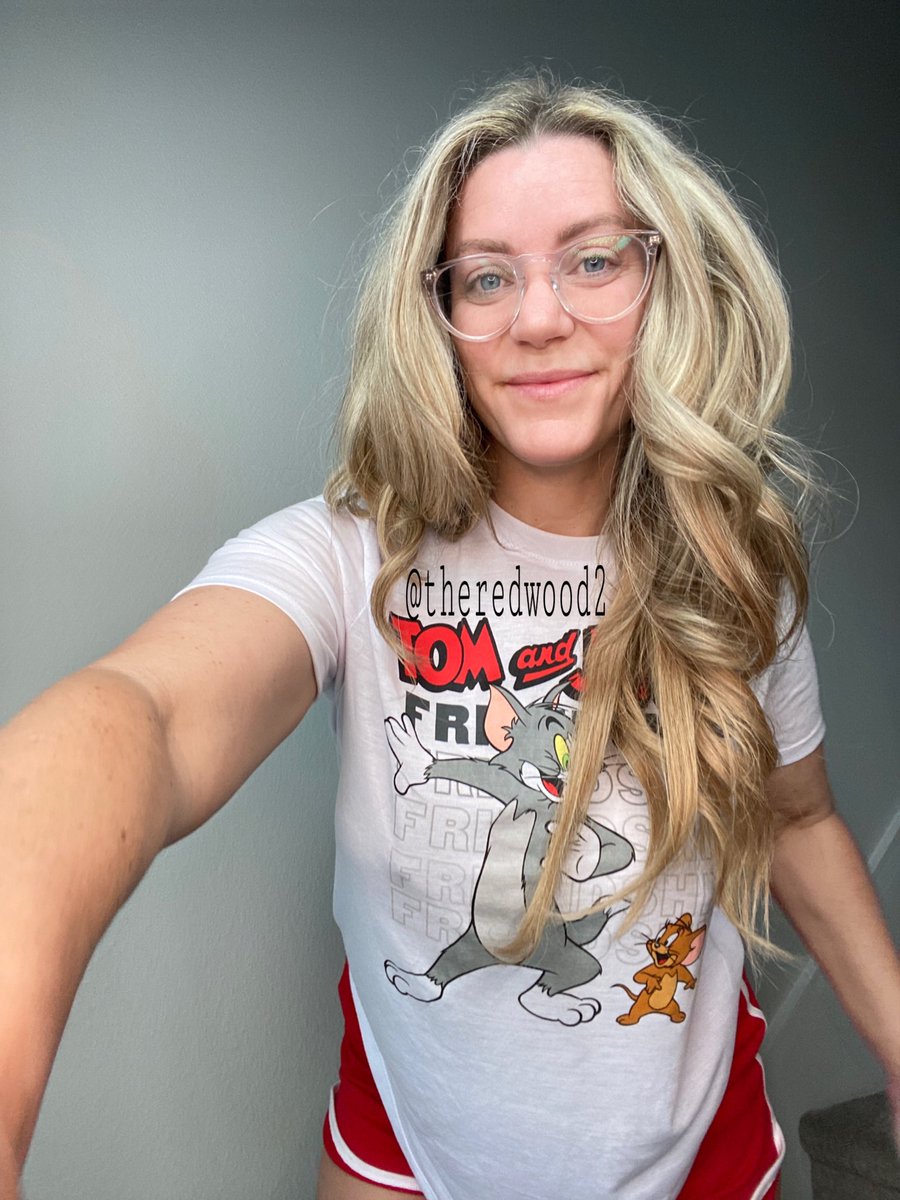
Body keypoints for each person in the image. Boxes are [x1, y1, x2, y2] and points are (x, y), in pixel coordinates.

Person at [1, 74, 898, 1200]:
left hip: (696, 1152)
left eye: (594, 260)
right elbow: (148, 719)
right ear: (439, 317)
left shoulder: (729, 563)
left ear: (663, 281)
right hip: (407, 1153)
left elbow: (797, 816)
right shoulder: (349, 553)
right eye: (486, 276)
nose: (538, 318)